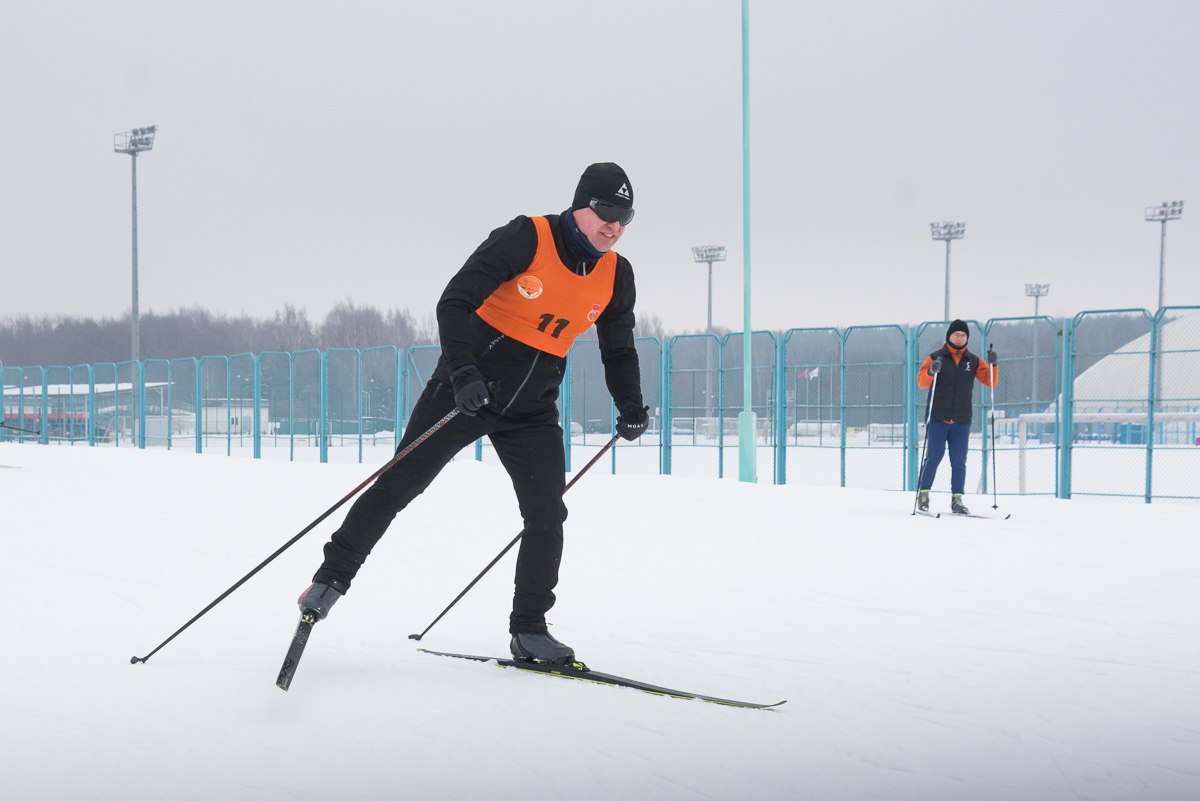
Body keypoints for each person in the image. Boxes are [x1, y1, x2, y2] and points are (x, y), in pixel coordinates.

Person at [295, 163, 647, 666]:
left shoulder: (616, 274)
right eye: (606, 211)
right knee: (399, 485)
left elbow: (619, 350)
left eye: (624, 217)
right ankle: (328, 583)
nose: (614, 226)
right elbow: (455, 301)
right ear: (580, 206)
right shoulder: (528, 237)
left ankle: (529, 629)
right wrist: (462, 373)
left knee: (547, 513)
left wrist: (630, 404)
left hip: (532, 411)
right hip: (467, 393)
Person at [915, 319, 996, 514]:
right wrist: (931, 371)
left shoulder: (973, 361)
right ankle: (923, 494)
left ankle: (957, 499)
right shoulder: (936, 357)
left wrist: (994, 365)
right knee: (934, 456)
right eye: (956, 335)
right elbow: (922, 382)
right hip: (938, 417)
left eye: (963, 335)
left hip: (961, 418)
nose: (960, 338)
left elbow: (990, 381)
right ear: (949, 336)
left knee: (959, 459)